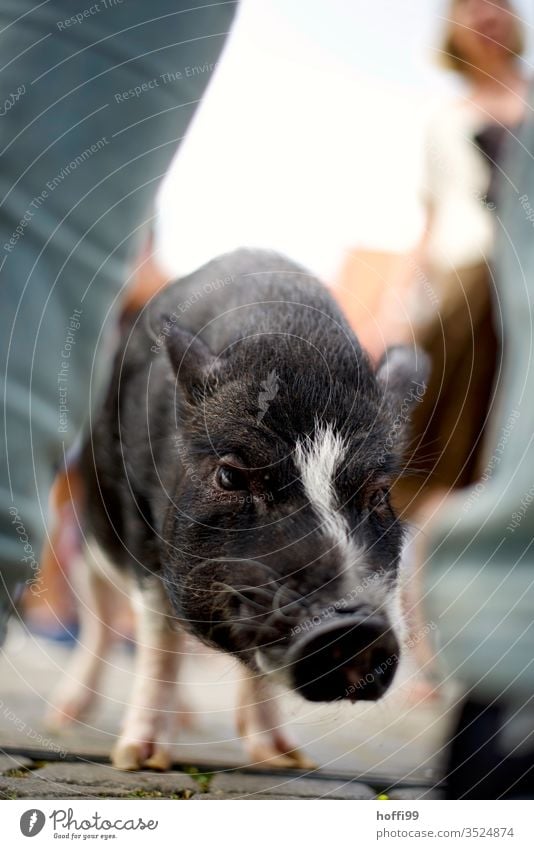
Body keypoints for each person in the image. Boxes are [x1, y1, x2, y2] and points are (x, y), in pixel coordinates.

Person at [0, 0, 237, 641]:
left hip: (102, 348)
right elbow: (139, 274)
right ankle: (54, 610)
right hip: (89, 345)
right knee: (68, 485)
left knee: (75, 486)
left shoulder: (118, 198)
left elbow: (142, 273)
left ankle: (81, 616)